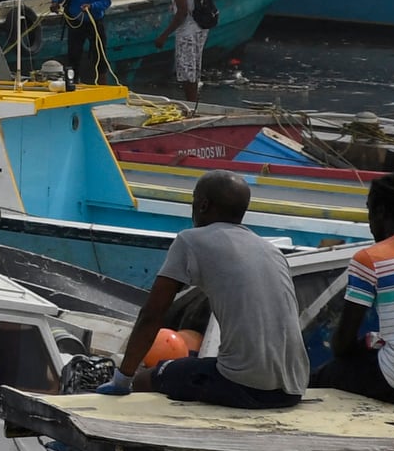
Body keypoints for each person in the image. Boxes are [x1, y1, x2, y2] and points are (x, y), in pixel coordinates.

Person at [111, 173, 306, 408]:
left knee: (146, 379)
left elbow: (152, 314)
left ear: (202, 204)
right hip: (294, 388)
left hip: (246, 386)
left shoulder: (190, 240)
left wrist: (122, 379)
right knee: (194, 365)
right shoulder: (272, 251)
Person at [318, 172, 394, 405]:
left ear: (380, 212)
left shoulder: (371, 258)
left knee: (323, 376)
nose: (370, 223)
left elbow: (343, 342)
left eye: (369, 212)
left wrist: (357, 348)